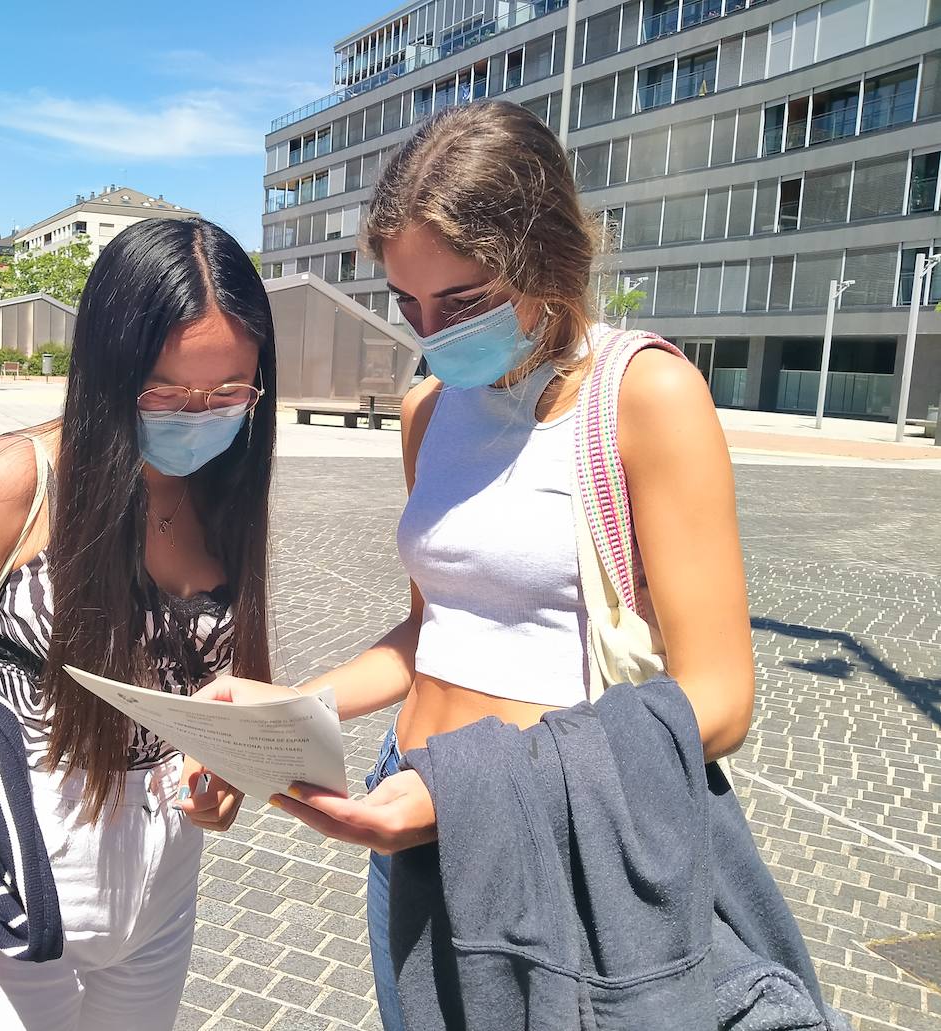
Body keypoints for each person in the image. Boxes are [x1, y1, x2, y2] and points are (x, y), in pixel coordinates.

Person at [193, 101, 755, 1030]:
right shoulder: (428, 412)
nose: (433, 333)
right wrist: (294, 708)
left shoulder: (645, 392)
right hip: (408, 803)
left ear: (548, 257)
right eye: (408, 306)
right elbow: (432, 630)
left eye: (462, 301)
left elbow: (721, 699)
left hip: (553, 831)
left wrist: (474, 791)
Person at [0, 217, 276, 1031]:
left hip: (162, 886)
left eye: (229, 392)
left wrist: (227, 769)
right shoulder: (18, 480)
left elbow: (230, 684)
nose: (199, 415)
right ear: (108, 369)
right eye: (167, 390)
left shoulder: (228, 490)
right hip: (2, 874)